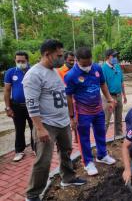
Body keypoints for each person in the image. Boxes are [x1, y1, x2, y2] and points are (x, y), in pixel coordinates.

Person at [23, 39, 86, 201]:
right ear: (47, 54)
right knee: (43, 161)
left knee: (66, 152)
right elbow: (31, 104)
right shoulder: (34, 75)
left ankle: (68, 178)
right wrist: (39, 128)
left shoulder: (55, 71)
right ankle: (33, 195)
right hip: (46, 125)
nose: (62, 58)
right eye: (59, 55)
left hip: (63, 122)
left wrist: (70, 118)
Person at [64, 47, 117, 176]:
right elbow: (69, 97)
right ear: (77, 60)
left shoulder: (97, 68)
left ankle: (102, 155)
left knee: (100, 132)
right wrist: (71, 117)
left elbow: (103, 84)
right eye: (84, 64)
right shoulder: (71, 75)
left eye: (89, 63)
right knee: (84, 138)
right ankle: (88, 162)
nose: (88, 66)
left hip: (98, 109)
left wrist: (110, 99)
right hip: (82, 112)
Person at [4, 51, 34, 161]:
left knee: (34, 128)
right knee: (19, 129)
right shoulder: (10, 72)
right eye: (18, 61)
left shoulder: (33, 71)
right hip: (17, 106)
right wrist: (8, 107)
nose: (20, 63)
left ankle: (35, 148)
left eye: (23, 61)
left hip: (32, 105)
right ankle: (19, 151)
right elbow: (7, 91)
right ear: (15, 61)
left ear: (27, 61)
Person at [102, 49, 127, 138]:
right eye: (113, 56)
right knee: (106, 120)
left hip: (119, 95)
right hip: (108, 97)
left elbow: (121, 82)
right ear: (108, 57)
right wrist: (110, 99)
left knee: (119, 119)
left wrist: (124, 95)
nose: (115, 58)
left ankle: (119, 136)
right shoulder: (103, 68)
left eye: (116, 56)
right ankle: (102, 140)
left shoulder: (117, 66)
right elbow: (103, 85)